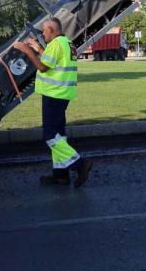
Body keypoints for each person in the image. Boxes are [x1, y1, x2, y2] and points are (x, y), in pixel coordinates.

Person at [14, 17, 93, 187]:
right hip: (62, 94)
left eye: (44, 30)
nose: (43, 33)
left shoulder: (57, 44)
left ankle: (80, 164)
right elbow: (51, 60)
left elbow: (43, 67)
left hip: (54, 95)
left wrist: (27, 50)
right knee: (59, 136)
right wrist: (39, 48)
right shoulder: (66, 42)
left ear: (52, 29)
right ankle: (60, 175)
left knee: (50, 136)